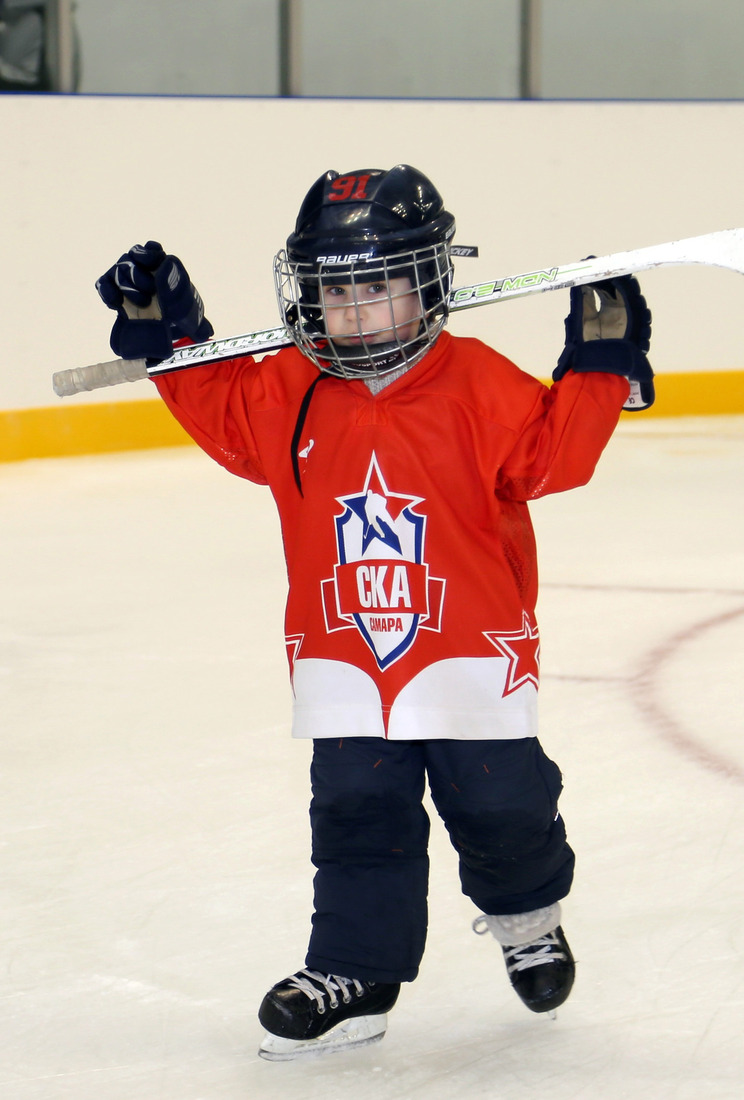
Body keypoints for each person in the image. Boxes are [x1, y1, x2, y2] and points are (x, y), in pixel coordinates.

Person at [95, 164, 654, 1060]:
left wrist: (599, 356)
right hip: (343, 651)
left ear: (427, 281)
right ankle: (354, 972)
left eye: (376, 287)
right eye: (333, 289)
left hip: (470, 649)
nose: (352, 310)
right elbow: (221, 411)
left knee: (502, 805)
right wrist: (170, 327)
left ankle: (525, 916)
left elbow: (553, 461)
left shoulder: (475, 380)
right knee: (356, 810)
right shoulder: (285, 385)